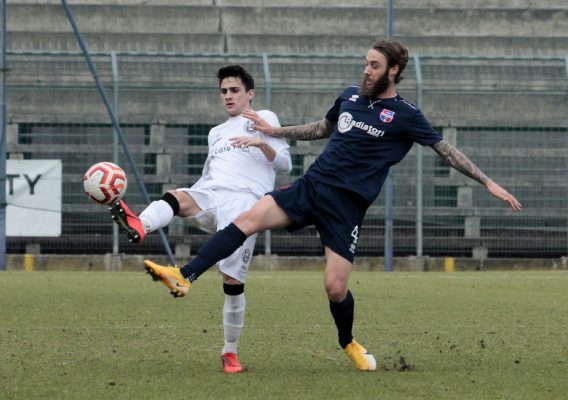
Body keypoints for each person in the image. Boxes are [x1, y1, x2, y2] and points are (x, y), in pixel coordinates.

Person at [143, 38, 522, 372]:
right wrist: (273, 132)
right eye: (365, 63)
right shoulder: (349, 97)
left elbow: (447, 152)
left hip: (346, 208)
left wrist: (488, 182)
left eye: (374, 65)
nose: (366, 70)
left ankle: (348, 343)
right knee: (247, 219)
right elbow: (319, 129)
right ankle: (185, 275)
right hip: (312, 187)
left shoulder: (406, 115)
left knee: (335, 287)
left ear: (394, 70)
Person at [110, 65, 292, 373]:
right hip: (212, 193)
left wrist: (262, 142)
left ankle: (230, 353)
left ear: (250, 93)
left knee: (233, 282)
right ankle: (140, 224)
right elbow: (208, 173)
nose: (228, 96)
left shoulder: (265, 118)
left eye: (234, 90)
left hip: (246, 205)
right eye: (223, 91)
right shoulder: (216, 133)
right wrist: (193, 193)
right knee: (177, 197)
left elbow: (285, 164)